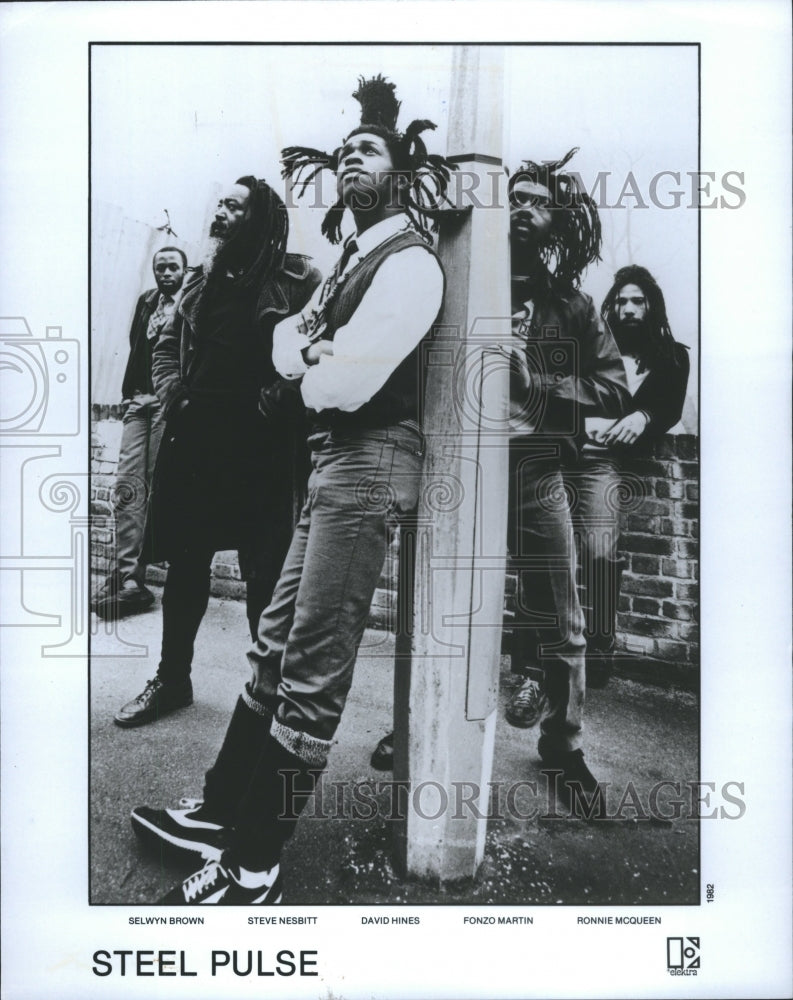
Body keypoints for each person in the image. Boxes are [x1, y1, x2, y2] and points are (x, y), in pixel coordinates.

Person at [130, 76, 453, 903]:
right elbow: (282, 348)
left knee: (309, 669)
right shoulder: (351, 259)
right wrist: (312, 354)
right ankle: (220, 809)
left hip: (369, 456)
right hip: (330, 459)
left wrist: (314, 358)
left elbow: (342, 380)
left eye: (369, 150)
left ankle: (254, 863)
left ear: (401, 171)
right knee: (273, 646)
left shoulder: (410, 261)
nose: (351, 157)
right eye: (345, 149)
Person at [113, 177, 320, 728]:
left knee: (265, 573)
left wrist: (279, 402)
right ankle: (172, 679)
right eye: (219, 204)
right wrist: (174, 396)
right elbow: (163, 346)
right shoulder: (201, 280)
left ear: (260, 218)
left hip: (261, 445)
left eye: (234, 206)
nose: (221, 213)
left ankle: (267, 696)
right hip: (197, 438)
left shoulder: (297, 279)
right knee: (186, 563)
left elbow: (316, 351)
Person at [502, 148, 630, 811]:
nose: (521, 207)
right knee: (438, 608)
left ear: (556, 221)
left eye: (535, 200)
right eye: (512, 196)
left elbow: (613, 386)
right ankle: (415, 725)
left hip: (535, 469)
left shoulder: (573, 307)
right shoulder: (457, 281)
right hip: (460, 469)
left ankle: (563, 741)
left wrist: (540, 381)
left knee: (562, 611)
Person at [576, 264, 691, 686]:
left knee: (601, 553)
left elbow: (671, 405)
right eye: (621, 301)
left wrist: (643, 416)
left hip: (602, 463)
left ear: (651, 306)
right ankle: (535, 662)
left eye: (637, 301)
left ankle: (600, 655)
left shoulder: (673, 357)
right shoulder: (592, 347)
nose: (627, 309)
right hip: (560, 453)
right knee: (546, 556)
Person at [91, 247, 186, 620]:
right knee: (128, 488)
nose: (165, 273)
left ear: (184, 270)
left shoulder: (192, 302)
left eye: (172, 267)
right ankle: (129, 579)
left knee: (163, 485)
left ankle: (168, 573)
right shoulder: (147, 301)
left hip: (169, 403)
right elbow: (137, 349)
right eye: (159, 267)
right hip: (139, 402)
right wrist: (132, 394)